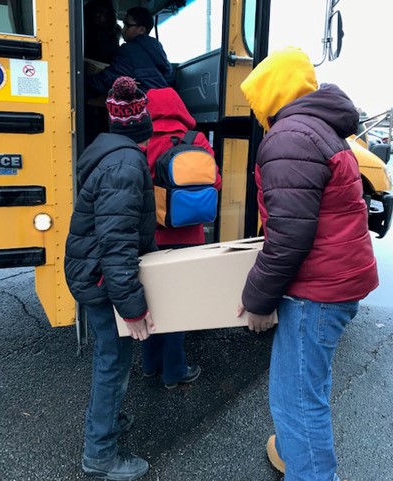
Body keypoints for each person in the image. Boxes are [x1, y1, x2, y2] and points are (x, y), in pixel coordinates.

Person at [237, 47, 379, 481]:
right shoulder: (320, 128)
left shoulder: (289, 137)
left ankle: (311, 471)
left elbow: (289, 236)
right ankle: (295, 453)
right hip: (338, 279)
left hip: (317, 290)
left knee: (297, 398)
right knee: (307, 386)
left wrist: (257, 301)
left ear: (272, 92)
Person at [64, 76, 157, 481]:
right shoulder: (126, 164)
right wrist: (132, 307)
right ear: (142, 124)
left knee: (111, 358)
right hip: (100, 277)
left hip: (91, 272)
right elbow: (117, 241)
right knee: (112, 362)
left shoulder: (110, 153)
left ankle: (108, 423)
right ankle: (99, 454)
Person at [141, 87, 222, 389]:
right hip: (190, 236)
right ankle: (175, 371)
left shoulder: (145, 141)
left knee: (152, 302)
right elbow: (216, 181)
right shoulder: (196, 140)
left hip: (154, 236)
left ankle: (150, 364)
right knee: (180, 305)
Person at [86, 6, 174, 98]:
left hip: (145, 107)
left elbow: (108, 79)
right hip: (165, 105)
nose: (123, 29)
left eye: (127, 25)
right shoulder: (158, 49)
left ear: (141, 30)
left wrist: (81, 83)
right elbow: (170, 78)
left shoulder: (128, 51)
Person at [84, 0, 122, 64]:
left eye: (106, 14)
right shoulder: (82, 26)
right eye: (99, 12)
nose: (102, 18)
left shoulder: (114, 33)